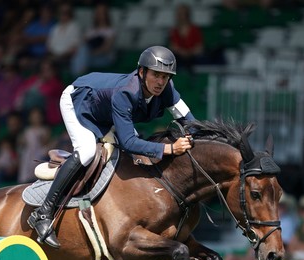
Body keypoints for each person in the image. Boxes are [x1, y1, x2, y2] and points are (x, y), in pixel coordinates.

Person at [27, 46, 196, 248]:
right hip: (80, 101)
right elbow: (128, 143)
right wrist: (169, 149)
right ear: (142, 72)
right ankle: (44, 212)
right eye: (156, 75)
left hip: (107, 112)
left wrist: (194, 138)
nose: (160, 82)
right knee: (87, 152)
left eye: (166, 77)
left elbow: (189, 120)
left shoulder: (166, 89)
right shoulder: (126, 93)